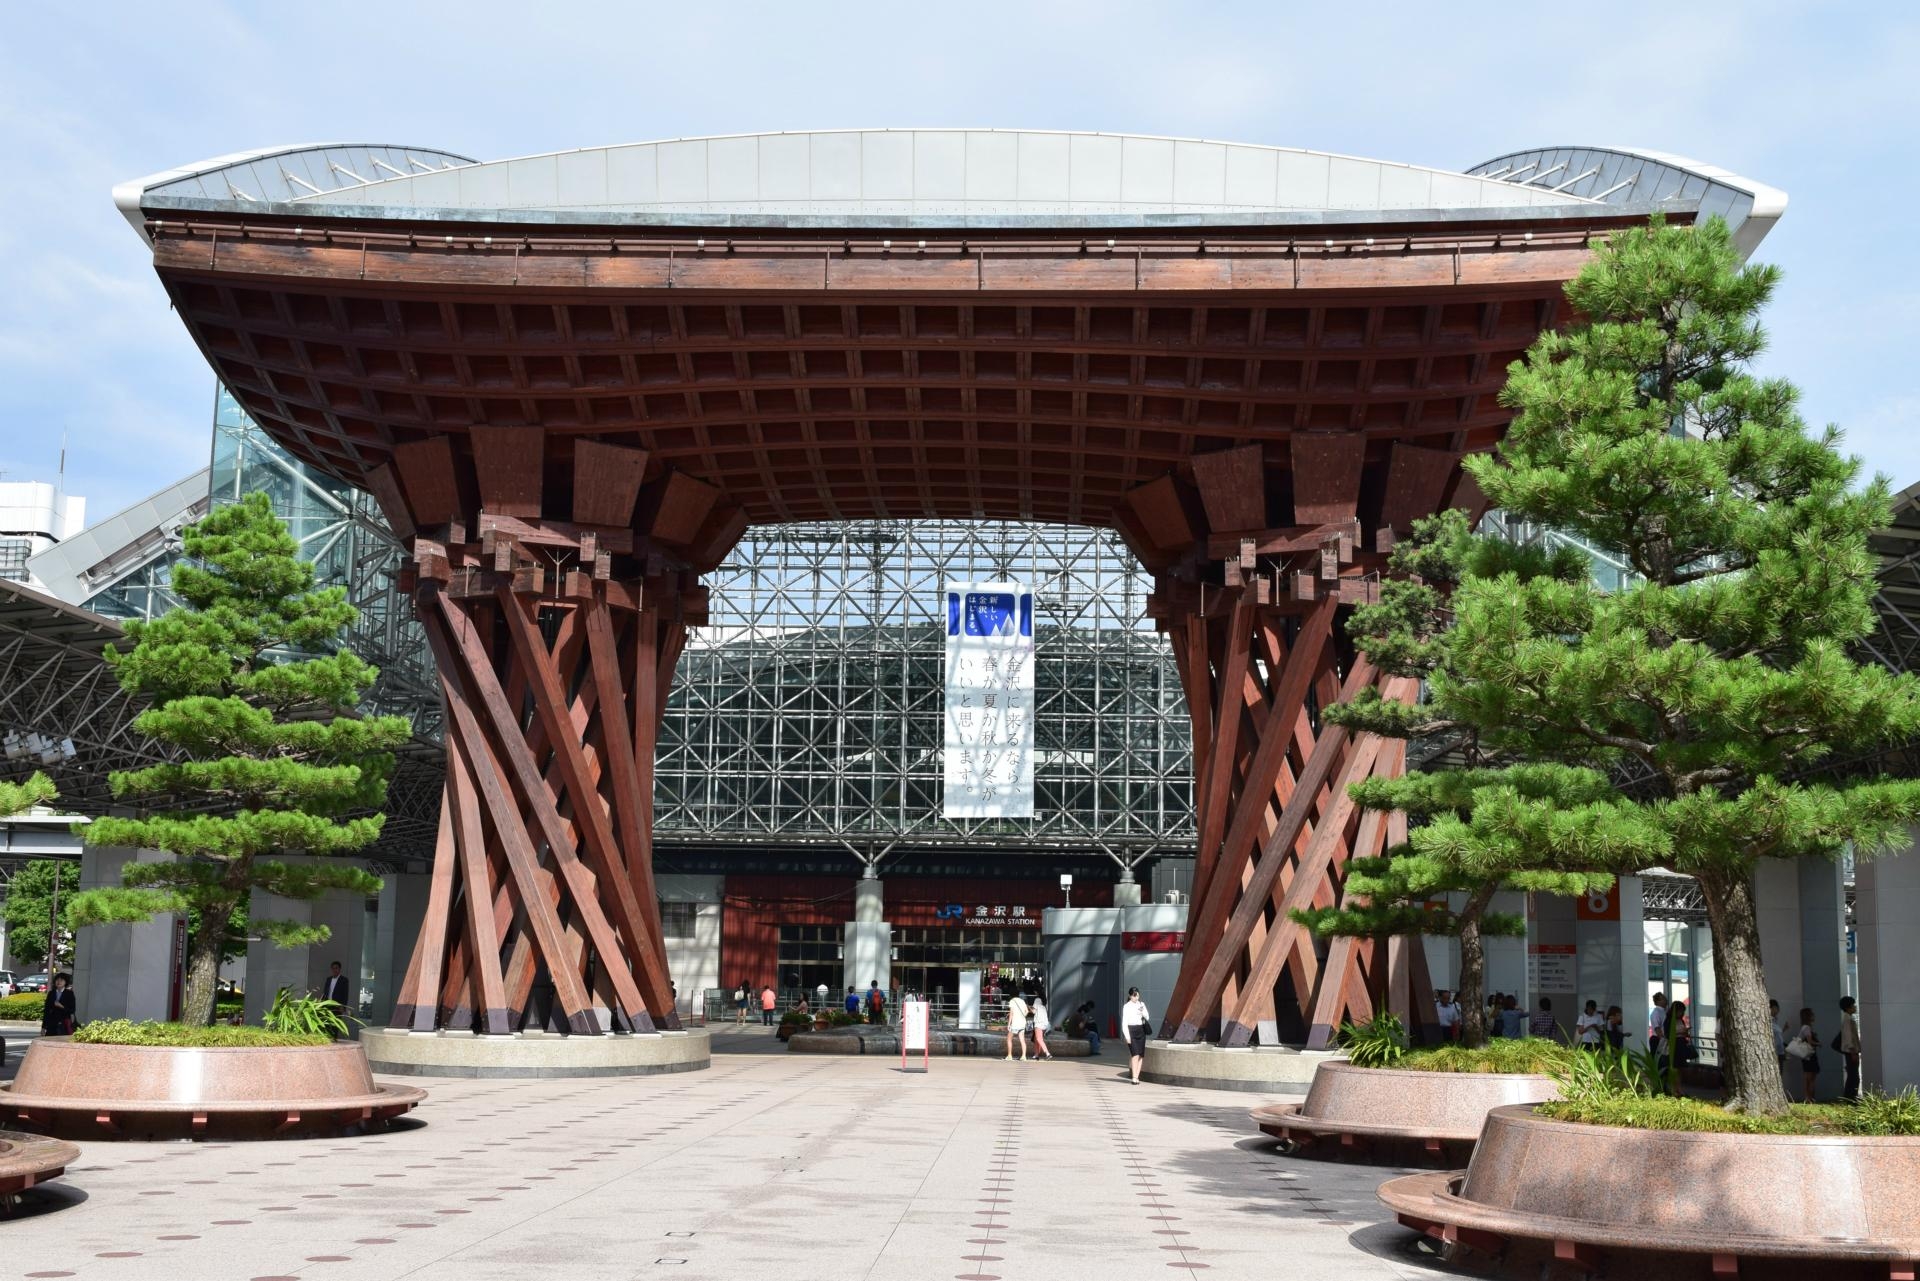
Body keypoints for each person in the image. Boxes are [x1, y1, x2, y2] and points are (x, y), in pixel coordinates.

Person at [1121, 987, 1151, 1084]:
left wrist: (1142, 1011)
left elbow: (1147, 1016)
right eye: (1134, 995)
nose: (1136, 997)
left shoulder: (1141, 1004)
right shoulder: (1127, 1006)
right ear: (1130, 996)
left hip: (1141, 1030)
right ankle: (1134, 1077)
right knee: (1135, 1054)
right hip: (1131, 1030)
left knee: (1141, 1055)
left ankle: (1137, 1077)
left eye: (1137, 995)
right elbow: (1124, 1022)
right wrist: (1127, 1036)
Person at [1838, 996, 1862, 1102]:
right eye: (1853, 1005)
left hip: (1851, 1051)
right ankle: (1851, 1098)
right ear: (1848, 1008)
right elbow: (1848, 1037)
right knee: (1854, 1076)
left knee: (1853, 1075)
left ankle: (1849, 1097)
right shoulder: (1848, 1019)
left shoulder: (1847, 1018)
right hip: (1851, 1051)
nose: (1855, 1007)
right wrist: (1853, 1052)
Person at [1796, 1006, 1821, 1103]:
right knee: (1811, 1078)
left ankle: (1807, 1098)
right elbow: (1810, 1042)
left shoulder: (1803, 1027)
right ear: (1808, 1016)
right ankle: (1810, 1098)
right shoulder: (1807, 1028)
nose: (1814, 1016)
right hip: (1809, 1055)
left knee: (1807, 1077)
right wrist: (1819, 1043)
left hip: (1805, 1056)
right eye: (1812, 1014)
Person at [1004, 990, 1030, 1061]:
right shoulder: (1022, 1001)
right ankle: (1024, 1056)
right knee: (1022, 1039)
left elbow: (1011, 1013)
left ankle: (1009, 1056)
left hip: (1015, 1023)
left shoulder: (1012, 1001)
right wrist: (1022, 1016)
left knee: (1009, 1039)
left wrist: (1009, 1024)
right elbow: (1027, 1011)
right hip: (1022, 1023)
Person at [1031, 995, 1054, 1060]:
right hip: (1044, 1024)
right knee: (1036, 1039)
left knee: (1039, 1039)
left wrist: (1029, 1007)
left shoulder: (1037, 1000)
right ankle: (1036, 1054)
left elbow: (1033, 1011)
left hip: (1038, 1024)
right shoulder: (1043, 1006)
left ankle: (1047, 1054)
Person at [1648, 991, 1669, 1057]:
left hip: (1662, 1039)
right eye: (1663, 998)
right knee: (1658, 1059)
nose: (1666, 1000)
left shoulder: (1664, 1011)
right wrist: (1663, 1040)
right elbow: (1657, 1028)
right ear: (1658, 1001)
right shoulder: (1656, 1012)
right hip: (1658, 1039)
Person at [1770, 998, 1786, 1076]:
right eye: (1776, 1008)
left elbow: (1778, 1035)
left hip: (1780, 1052)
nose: (1778, 1010)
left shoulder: (1775, 1021)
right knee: (1776, 1075)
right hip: (1774, 1052)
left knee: (1780, 1074)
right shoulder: (1768, 1021)